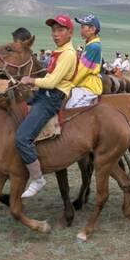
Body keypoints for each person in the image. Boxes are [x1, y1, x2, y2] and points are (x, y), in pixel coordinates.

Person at [17, 14, 78, 198]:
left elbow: (52, 82)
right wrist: (33, 84)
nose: (55, 34)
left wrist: (31, 80)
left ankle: (37, 178)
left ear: (69, 33)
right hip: (44, 93)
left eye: (60, 30)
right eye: (53, 30)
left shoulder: (68, 54)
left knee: (22, 137)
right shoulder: (58, 51)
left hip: (51, 98)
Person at [66, 14, 103, 108]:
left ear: (92, 30)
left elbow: (82, 70)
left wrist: (70, 83)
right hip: (84, 83)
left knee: (70, 108)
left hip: (88, 86)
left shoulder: (94, 47)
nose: (80, 30)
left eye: (83, 27)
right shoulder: (90, 45)